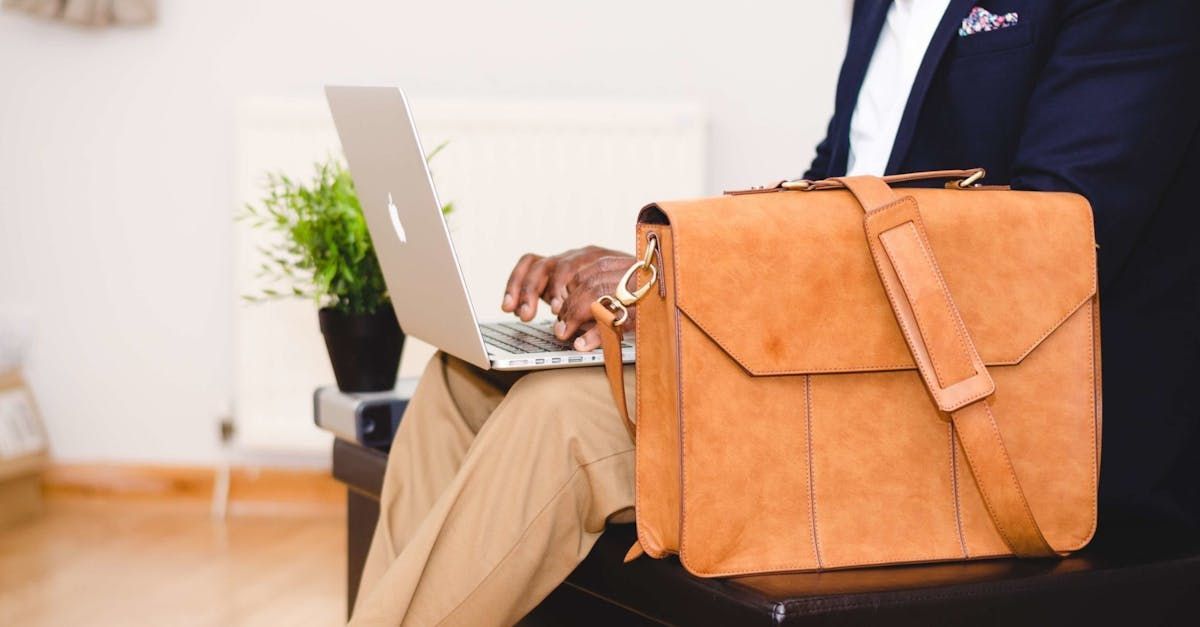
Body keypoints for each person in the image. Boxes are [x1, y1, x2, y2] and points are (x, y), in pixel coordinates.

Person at [350, 1, 1200, 624]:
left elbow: (1037, 254)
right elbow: (832, 188)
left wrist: (696, 290)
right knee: (460, 381)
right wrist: (657, 275)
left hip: (991, 419)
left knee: (565, 418)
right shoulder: (880, 9)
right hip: (853, 374)